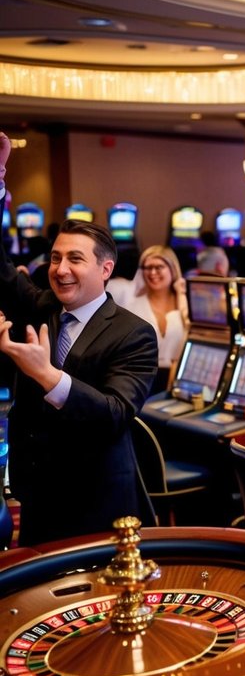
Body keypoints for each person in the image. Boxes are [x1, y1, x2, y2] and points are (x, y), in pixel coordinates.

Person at [0, 133, 158, 545]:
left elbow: (115, 413)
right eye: (55, 258)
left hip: (96, 500)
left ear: (106, 269)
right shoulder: (42, 306)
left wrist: (48, 376)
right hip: (35, 491)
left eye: (75, 259)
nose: (61, 268)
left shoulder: (134, 332)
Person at [108, 245, 189, 393]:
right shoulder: (132, 306)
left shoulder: (185, 304)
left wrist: (181, 294)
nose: (152, 273)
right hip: (140, 379)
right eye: (147, 268)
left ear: (172, 269)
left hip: (178, 380)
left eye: (159, 267)